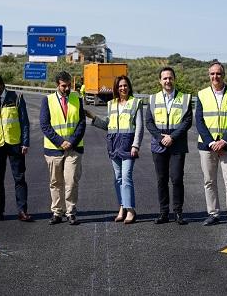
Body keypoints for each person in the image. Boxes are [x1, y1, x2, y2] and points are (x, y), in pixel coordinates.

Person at [85, 75, 144, 224]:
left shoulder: (135, 103)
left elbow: (139, 127)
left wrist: (136, 145)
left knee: (126, 177)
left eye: (125, 85)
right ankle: (122, 207)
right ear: (116, 89)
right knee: (117, 179)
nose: (122, 88)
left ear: (129, 87)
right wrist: (93, 118)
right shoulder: (111, 104)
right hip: (113, 144)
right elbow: (108, 125)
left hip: (128, 144)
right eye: (120, 86)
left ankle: (130, 210)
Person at [196, 61, 227, 228]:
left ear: (223, 75)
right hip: (207, 146)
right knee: (209, 181)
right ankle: (213, 213)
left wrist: (224, 141)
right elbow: (199, 121)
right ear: (209, 75)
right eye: (212, 74)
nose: (215, 77)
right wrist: (211, 143)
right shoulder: (202, 94)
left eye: (218, 73)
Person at [0, 73, 33, 222]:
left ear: (1, 86)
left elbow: (24, 122)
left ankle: (22, 210)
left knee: (19, 178)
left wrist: (25, 142)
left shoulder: (16, 97)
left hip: (15, 144)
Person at [145, 66, 192, 225]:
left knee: (177, 178)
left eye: (170, 78)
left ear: (174, 79)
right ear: (160, 81)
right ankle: (163, 212)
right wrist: (160, 138)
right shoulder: (152, 99)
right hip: (159, 145)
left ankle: (178, 212)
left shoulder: (184, 99)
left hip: (177, 144)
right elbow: (149, 123)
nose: (167, 81)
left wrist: (172, 137)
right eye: (164, 78)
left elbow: (187, 121)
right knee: (161, 179)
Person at [39, 71, 86, 226]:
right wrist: (60, 142)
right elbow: (45, 126)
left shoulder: (77, 99)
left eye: (68, 86)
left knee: (71, 181)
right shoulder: (48, 100)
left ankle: (71, 212)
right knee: (56, 182)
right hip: (54, 149)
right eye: (63, 86)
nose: (67, 89)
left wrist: (71, 142)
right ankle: (57, 212)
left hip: (74, 148)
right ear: (57, 85)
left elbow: (81, 123)